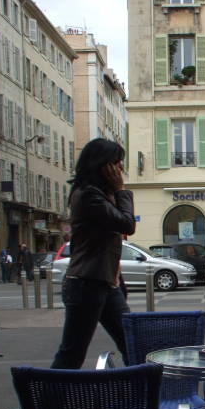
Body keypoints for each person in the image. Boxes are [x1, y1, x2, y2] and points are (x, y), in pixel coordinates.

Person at [50, 138, 135, 369]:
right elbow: (127, 224)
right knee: (72, 354)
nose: (120, 169)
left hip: (105, 283)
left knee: (133, 344)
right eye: (116, 163)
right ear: (103, 165)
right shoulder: (88, 195)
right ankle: (46, 404)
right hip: (87, 283)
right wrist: (121, 191)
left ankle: (139, 395)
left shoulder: (100, 195)